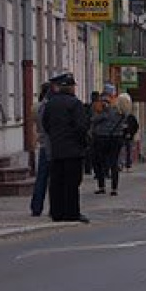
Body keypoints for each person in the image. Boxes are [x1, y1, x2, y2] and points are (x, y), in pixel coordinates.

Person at [43, 73, 89, 223]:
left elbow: (46, 124)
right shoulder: (75, 104)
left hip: (57, 149)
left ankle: (57, 212)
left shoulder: (50, 104)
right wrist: (83, 144)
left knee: (56, 182)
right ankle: (71, 212)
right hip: (73, 150)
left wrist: (56, 138)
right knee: (72, 183)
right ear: (69, 88)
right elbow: (81, 127)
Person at [90, 92, 128, 196]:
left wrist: (100, 113)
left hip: (102, 138)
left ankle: (102, 186)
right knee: (113, 162)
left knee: (99, 162)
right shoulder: (120, 111)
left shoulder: (103, 111)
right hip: (116, 138)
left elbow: (94, 120)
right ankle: (114, 188)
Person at [29, 83, 52, 217]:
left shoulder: (36, 107)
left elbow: (35, 125)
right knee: (53, 179)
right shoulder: (49, 107)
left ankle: (36, 207)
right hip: (52, 144)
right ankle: (53, 206)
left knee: (41, 178)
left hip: (42, 143)